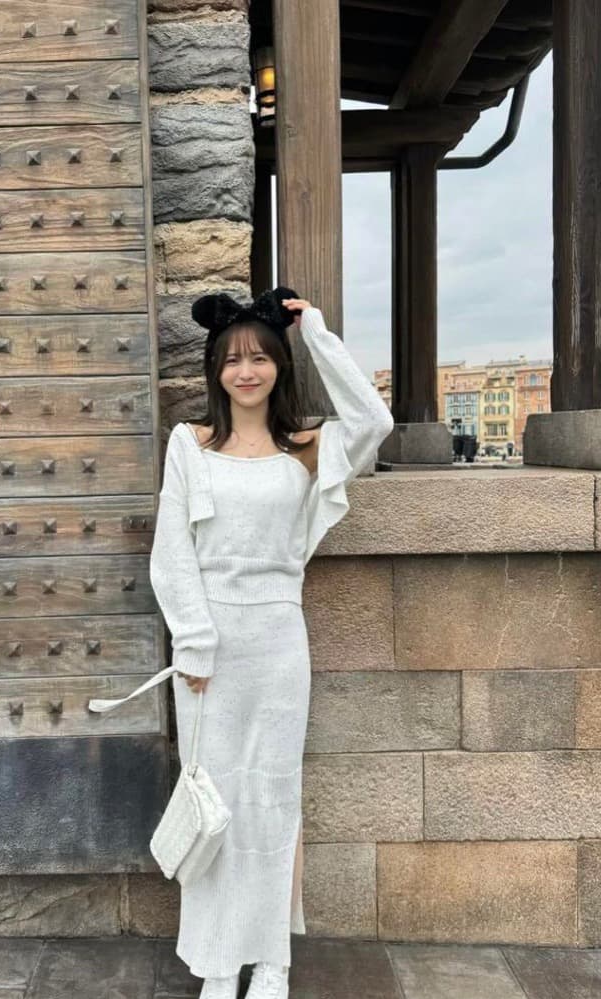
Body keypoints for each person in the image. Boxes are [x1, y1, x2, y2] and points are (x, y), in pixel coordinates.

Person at [147, 286, 395, 999]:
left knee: (273, 799)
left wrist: (313, 329)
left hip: (280, 641)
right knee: (215, 798)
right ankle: (219, 958)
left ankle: (271, 959)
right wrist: (194, 641)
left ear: (279, 366)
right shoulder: (190, 444)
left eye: (259, 357)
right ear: (215, 370)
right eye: (232, 359)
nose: (246, 371)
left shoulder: (308, 448)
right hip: (207, 653)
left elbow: (374, 418)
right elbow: (172, 552)